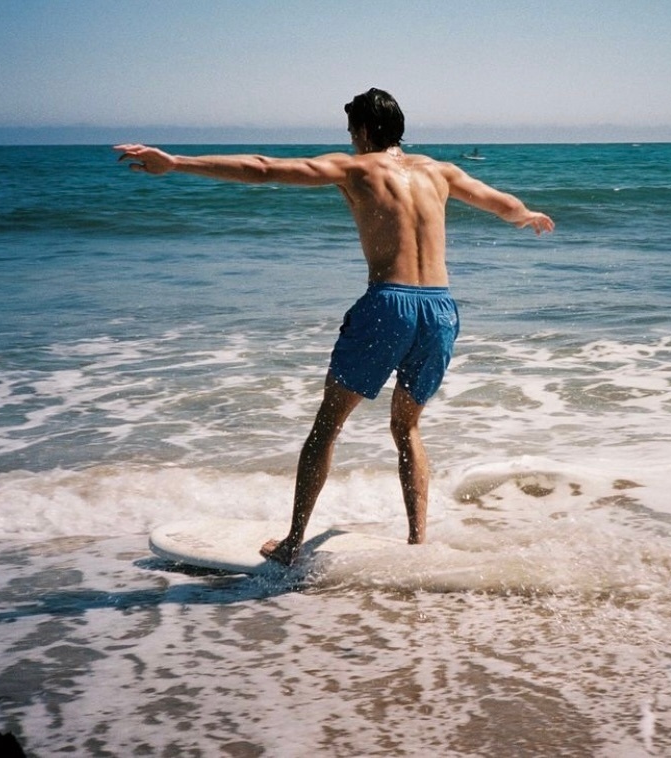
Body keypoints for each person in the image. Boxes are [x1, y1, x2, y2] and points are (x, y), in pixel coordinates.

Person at [115, 88, 554, 565]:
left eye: (350, 132)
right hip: (440, 309)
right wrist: (527, 215)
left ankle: (292, 543)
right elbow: (501, 204)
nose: (349, 141)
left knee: (327, 425)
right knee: (407, 427)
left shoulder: (356, 168)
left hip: (388, 305)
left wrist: (175, 162)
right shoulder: (440, 171)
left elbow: (263, 169)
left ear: (362, 130)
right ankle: (417, 544)